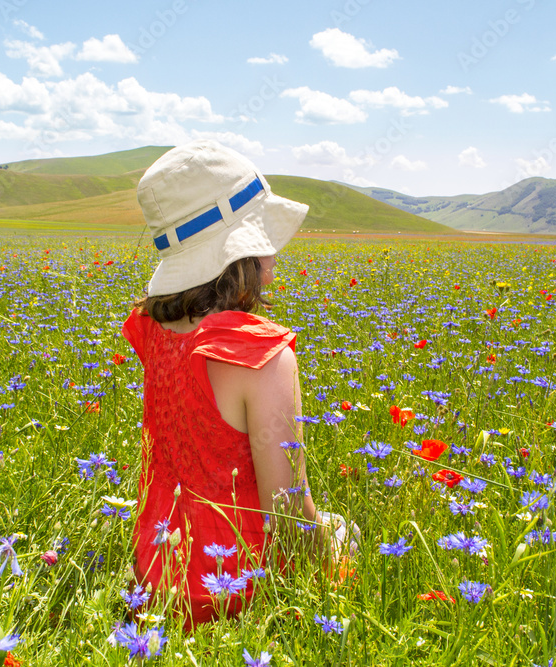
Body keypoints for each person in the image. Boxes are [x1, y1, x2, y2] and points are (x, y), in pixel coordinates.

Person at [122, 139, 336, 627]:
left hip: (158, 561)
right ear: (241, 252)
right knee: (345, 532)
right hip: (233, 580)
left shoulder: (152, 327)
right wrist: (328, 559)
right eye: (263, 239)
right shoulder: (260, 353)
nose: (274, 253)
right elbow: (287, 515)